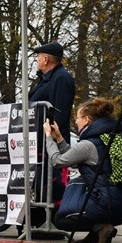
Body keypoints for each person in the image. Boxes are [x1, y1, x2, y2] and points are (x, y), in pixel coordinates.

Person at [43, 97, 122, 243]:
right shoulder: (114, 136)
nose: (76, 121)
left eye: (77, 118)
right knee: (88, 181)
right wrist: (59, 138)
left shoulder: (88, 144)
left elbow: (58, 162)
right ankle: (98, 235)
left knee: (60, 218)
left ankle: (100, 228)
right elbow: (75, 159)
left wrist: (49, 138)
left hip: (108, 205)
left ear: (87, 119)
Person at [29, 41, 76, 203]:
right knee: (40, 187)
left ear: (46, 59)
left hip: (50, 144)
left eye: (38, 57)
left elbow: (60, 114)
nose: (37, 60)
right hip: (38, 142)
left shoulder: (61, 78)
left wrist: (51, 138)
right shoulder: (45, 79)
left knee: (52, 188)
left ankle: (56, 213)